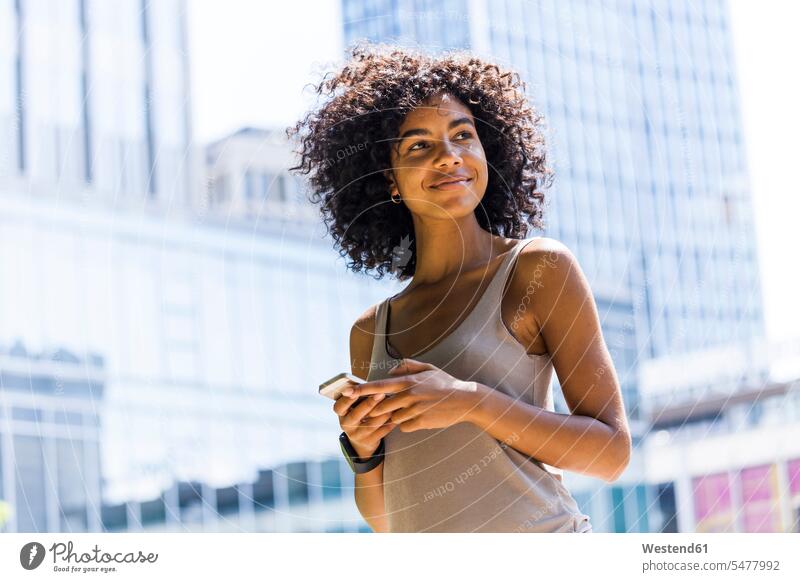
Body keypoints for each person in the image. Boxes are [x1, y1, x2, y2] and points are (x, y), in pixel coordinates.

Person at [288, 43, 631, 533]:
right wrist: (362, 450)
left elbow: (612, 455)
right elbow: (388, 520)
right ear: (389, 178)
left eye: (463, 136)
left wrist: (470, 400)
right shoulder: (371, 332)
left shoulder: (537, 269)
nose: (450, 157)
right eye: (419, 146)